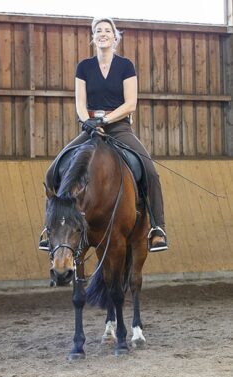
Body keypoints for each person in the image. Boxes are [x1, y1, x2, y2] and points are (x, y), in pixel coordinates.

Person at [40, 17, 168, 252]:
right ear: (93, 36)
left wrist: (105, 120)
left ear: (114, 36)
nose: (102, 34)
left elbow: (130, 104)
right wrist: (87, 121)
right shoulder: (84, 67)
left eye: (107, 30)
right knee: (52, 172)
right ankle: (49, 229)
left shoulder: (126, 66)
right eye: (98, 30)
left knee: (150, 170)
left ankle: (157, 228)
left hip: (118, 127)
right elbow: (79, 102)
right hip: (90, 129)